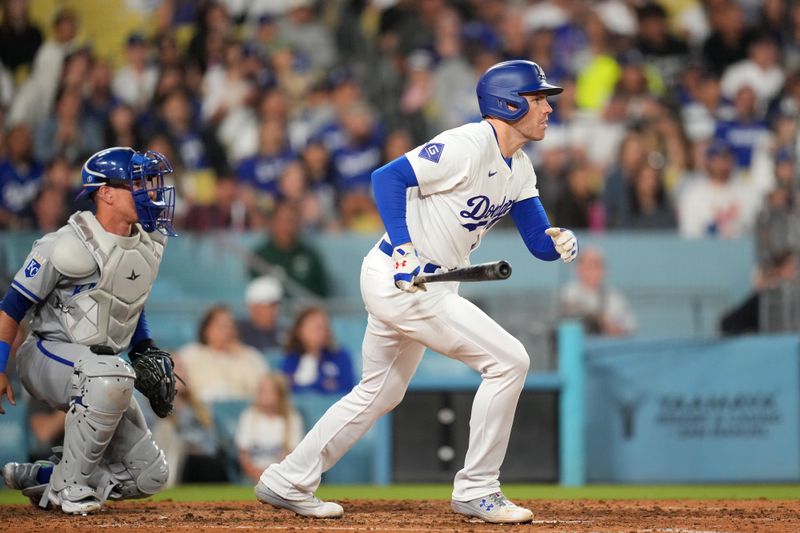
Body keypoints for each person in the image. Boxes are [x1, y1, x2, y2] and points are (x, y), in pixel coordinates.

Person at [255, 60, 578, 524]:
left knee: (379, 391)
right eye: (538, 99)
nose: (548, 107)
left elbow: (536, 240)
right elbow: (386, 178)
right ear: (508, 104)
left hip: (430, 282)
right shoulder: (466, 145)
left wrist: (558, 243)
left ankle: (288, 478)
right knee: (509, 361)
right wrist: (406, 249)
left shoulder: (520, 167)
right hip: (402, 276)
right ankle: (477, 488)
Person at [0, 147, 179, 514]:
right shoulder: (67, 244)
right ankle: (68, 489)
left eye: (149, 182)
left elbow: (129, 300)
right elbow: (12, 307)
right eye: (138, 183)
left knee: (148, 475)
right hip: (47, 354)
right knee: (111, 374)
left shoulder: (147, 241)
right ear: (106, 193)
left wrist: (144, 347)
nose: (150, 190)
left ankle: (48, 476)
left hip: (99, 368)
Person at [176, 304, 269, 404]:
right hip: (201, 410)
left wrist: (241, 357)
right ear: (207, 329)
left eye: (230, 326)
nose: (227, 331)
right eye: (222, 326)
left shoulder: (251, 356)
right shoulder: (190, 354)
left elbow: (263, 389)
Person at [236, 373, 304, 483]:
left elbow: (292, 453)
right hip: (252, 477)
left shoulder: (291, 417)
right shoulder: (249, 415)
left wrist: (273, 475)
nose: (262, 396)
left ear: (279, 395)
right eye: (260, 391)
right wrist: (254, 472)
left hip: (281, 477)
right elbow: (244, 453)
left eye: (267, 392)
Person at [560, 247, 636, 336]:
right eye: (590, 266)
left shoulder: (615, 298)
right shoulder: (569, 293)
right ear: (579, 269)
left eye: (598, 266)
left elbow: (629, 328)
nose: (594, 271)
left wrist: (610, 327)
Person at [280, 306, 355, 395]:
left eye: (322, 327)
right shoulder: (290, 358)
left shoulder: (340, 357)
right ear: (299, 331)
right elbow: (282, 388)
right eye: (313, 327)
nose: (318, 332)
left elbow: (347, 388)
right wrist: (324, 384)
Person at [236, 275, 285, 353]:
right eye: (270, 306)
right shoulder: (237, 332)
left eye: (276, 306)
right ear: (254, 307)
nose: (275, 311)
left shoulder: (283, 333)